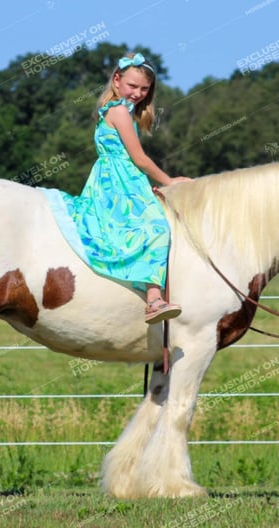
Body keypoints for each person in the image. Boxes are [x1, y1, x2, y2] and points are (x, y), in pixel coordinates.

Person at [60, 52, 193, 324]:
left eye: (145, 89)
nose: (138, 93)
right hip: (119, 183)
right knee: (156, 229)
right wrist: (169, 182)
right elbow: (139, 158)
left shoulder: (117, 111)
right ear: (117, 80)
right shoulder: (119, 112)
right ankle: (154, 299)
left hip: (124, 179)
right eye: (133, 86)